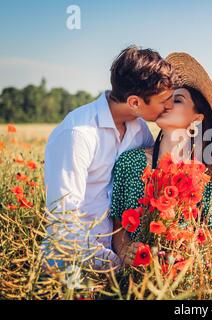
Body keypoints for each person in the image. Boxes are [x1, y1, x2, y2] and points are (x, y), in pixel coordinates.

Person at [42, 45, 176, 270]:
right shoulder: (78, 133)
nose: (170, 106)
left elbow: (154, 176)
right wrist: (117, 264)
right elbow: (63, 224)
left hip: (117, 256)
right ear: (134, 102)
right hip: (72, 263)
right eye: (164, 101)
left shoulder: (138, 128)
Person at [109, 53, 212, 267]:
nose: (168, 104)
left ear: (196, 118)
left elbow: (207, 243)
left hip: (179, 280)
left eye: (178, 99)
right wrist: (126, 250)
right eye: (167, 98)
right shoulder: (130, 162)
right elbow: (118, 228)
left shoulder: (202, 179)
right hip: (135, 281)